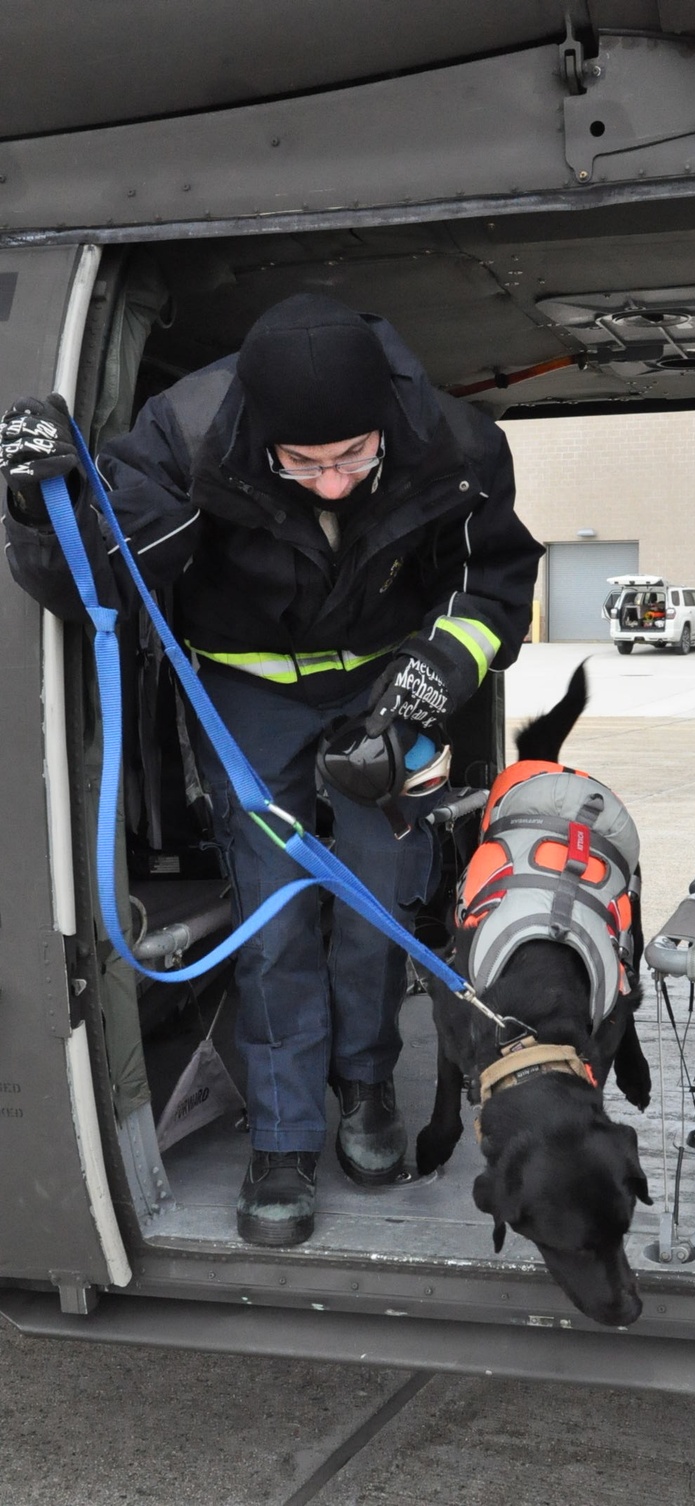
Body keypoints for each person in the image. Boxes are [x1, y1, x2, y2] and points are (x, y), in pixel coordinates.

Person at [0, 293, 543, 1247]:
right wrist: (36, 502)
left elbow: (491, 581)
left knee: (378, 900)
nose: (333, 485)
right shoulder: (188, 432)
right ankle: (286, 1134)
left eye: (353, 459)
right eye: (305, 465)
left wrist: (435, 677)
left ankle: (366, 1087)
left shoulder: (453, 440)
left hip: (389, 683)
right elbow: (89, 582)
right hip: (249, 694)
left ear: (385, 423)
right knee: (277, 906)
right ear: (263, 439)